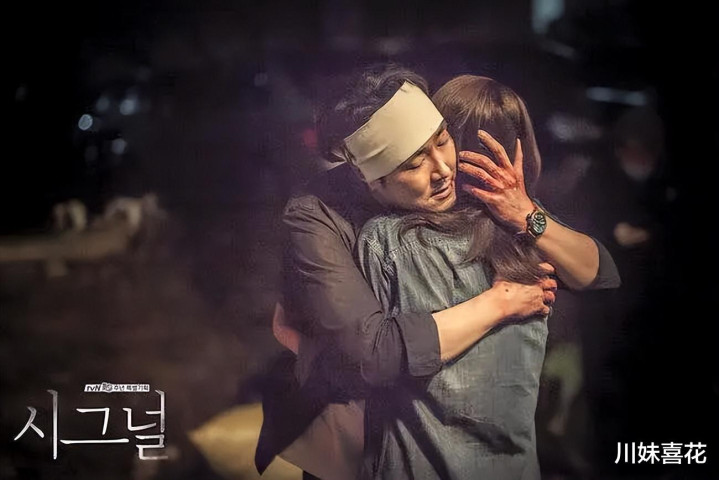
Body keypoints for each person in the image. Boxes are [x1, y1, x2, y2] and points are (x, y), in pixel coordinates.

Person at [255, 65, 619, 479]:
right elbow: (370, 354)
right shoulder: (320, 216)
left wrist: (527, 215)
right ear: (370, 180)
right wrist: (499, 304)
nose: (443, 169)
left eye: (443, 141)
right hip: (354, 445)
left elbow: (596, 273)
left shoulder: (458, 185)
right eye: (414, 164)